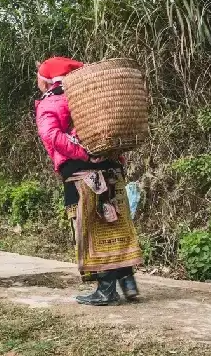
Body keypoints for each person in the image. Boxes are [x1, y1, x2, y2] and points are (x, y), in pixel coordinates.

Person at [35, 56, 143, 306]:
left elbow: (50, 134)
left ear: (47, 80)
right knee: (115, 223)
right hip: (112, 168)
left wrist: (85, 152)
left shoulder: (52, 100)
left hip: (81, 173)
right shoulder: (97, 95)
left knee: (90, 226)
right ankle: (128, 283)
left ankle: (106, 290)